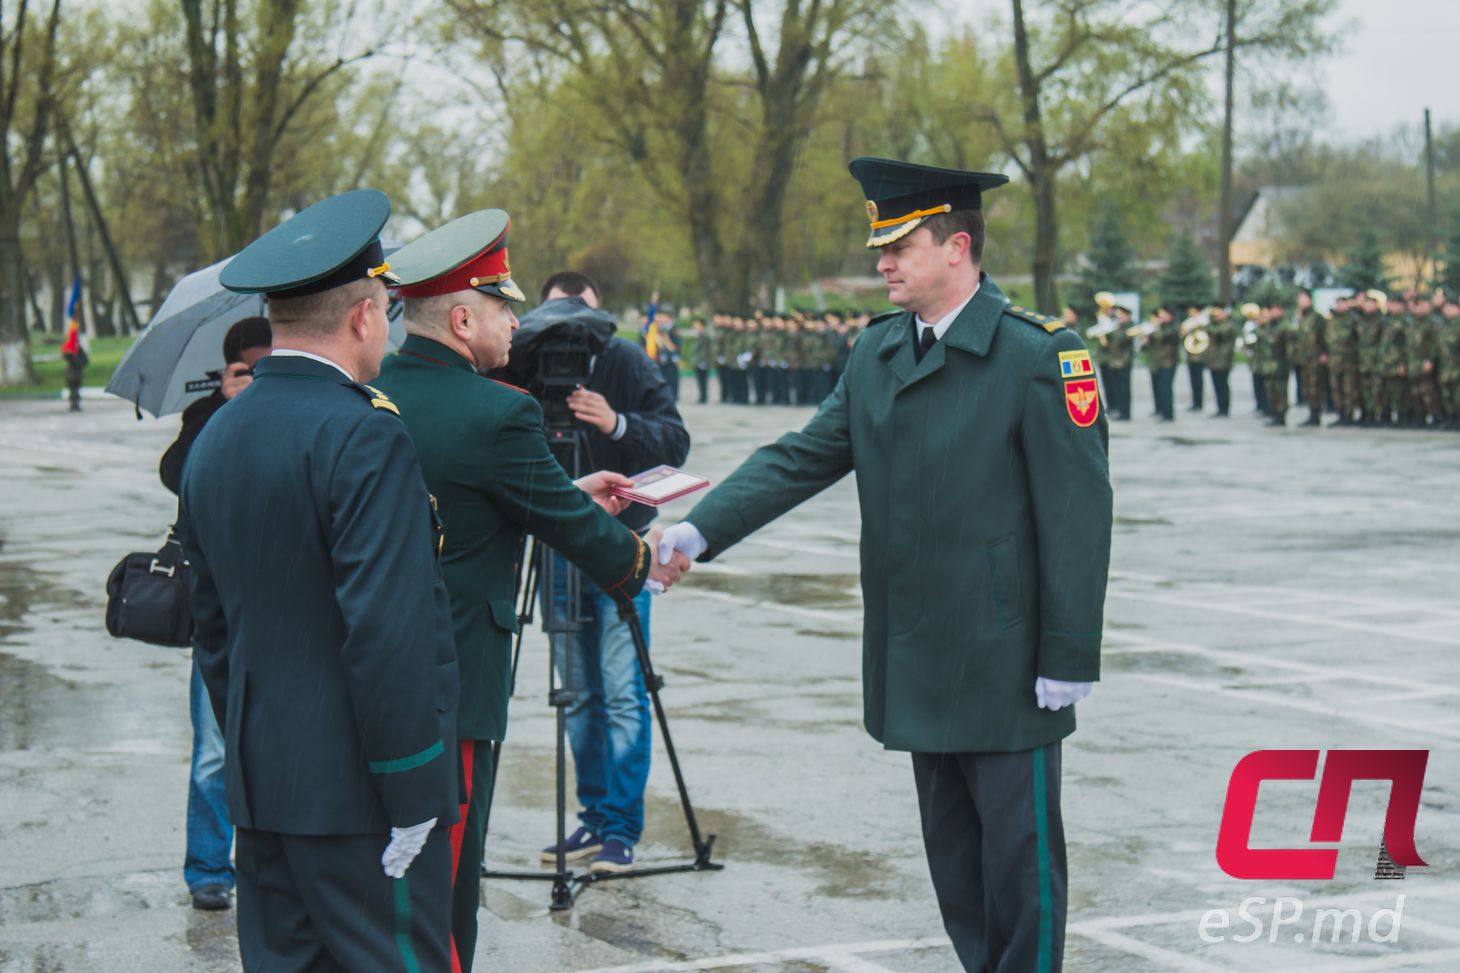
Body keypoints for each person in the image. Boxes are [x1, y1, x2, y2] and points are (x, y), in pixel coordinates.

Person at [659, 157, 1112, 972]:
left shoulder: (1039, 355)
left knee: (1021, 874)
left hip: (1009, 663)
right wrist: (695, 532)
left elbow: (1079, 515)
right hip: (920, 656)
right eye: (884, 245)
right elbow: (801, 457)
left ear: (958, 247)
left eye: (901, 243)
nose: (883, 262)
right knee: (958, 875)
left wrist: (1070, 652)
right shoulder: (877, 355)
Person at [372, 211, 690, 971]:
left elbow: (482, 501)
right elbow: (562, 525)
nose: (518, 323)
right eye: (502, 307)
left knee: (383, 883)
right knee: (444, 888)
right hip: (454, 678)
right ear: (459, 319)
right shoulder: (500, 411)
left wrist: (570, 489)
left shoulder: (374, 392)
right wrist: (644, 560)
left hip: (371, 670)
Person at [178, 189, 460, 971]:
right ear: (366, 315)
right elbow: (386, 629)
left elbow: (216, 630)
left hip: (266, 789)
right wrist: (410, 791)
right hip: (362, 797)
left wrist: (256, 752)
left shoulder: (219, 434)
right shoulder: (364, 434)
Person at [527, 269, 691, 874]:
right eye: (558, 316)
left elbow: (675, 439)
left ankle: (621, 827)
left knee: (623, 691)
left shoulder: (623, 359)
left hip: (623, 547)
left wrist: (614, 423)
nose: (570, 330)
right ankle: (594, 818)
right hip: (556, 550)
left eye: (582, 316)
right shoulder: (527, 361)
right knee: (578, 695)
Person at [158, 314, 272, 913]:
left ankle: (269, 864)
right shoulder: (206, 418)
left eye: (267, 365)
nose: (257, 376)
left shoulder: (298, 408)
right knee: (213, 748)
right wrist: (225, 406)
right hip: (219, 608)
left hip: (280, 602)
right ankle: (207, 867)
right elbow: (178, 476)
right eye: (246, 368)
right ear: (227, 369)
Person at [1291, 291, 1326, 428]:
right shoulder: (1300, 317)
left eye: (1303, 299)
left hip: (1315, 358)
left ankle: (1316, 414)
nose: (1300, 301)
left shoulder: (1317, 318)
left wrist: (1324, 353)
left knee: (1315, 386)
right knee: (1306, 386)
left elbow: (1323, 335)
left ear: (1310, 300)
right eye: (1299, 299)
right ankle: (1311, 413)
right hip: (1303, 359)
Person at [1205, 304, 1236, 418]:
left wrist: (1211, 320)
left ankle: (1224, 409)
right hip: (1214, 360)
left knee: (1223, 385)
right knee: (1216, 385)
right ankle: (1219, 408)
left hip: (1223, 360)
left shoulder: (1228, 325)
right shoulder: (1214, 324)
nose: (1216, 315)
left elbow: (1218, 332)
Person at [59, 314, 87, 412]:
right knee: (73, 390)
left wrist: (76, 356)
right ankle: (73, 404)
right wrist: (69, 354)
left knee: (76, 390)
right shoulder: (70, 353)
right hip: (71, 374)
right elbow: (65, 356)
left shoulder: (80, 352)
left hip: (78, 374)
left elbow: (84, 362)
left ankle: (76, 404)